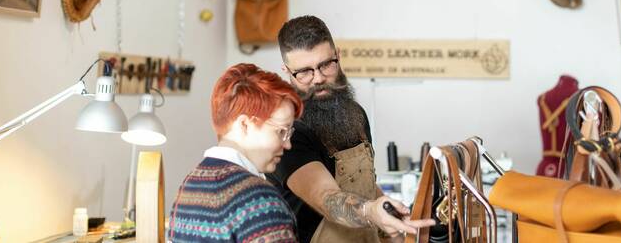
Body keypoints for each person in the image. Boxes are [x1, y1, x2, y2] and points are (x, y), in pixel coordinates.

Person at [268, 15, 434, 243]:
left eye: (326, 65)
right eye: (304, 72)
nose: (318, 79)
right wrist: (369, 212)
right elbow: (326, 198)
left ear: (338, 56)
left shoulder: (355, 114)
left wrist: (394, 219)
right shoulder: (288, 132)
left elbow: (364, 184)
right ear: (287, 71)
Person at [169, 63, 303, 243]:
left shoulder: (189, 186)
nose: (287, 145)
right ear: (245, 125)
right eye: (281, 131)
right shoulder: (259, 200)